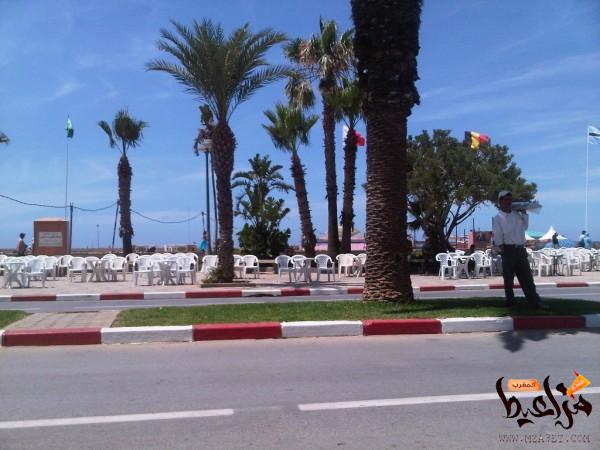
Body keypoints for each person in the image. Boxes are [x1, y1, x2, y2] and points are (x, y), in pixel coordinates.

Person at [492, 190, 544, 308]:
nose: (509, 202)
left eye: (510, 200)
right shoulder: (498, 218)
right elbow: (498, 236)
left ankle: (534, 301)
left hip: (520, 249)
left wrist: (524, 212)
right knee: (509, 279)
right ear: (500, 201)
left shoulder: (516, 215)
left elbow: (524, 227)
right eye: (506, 200)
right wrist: (503, 250)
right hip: (508, 249)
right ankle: (510, 302)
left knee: (527, 277)